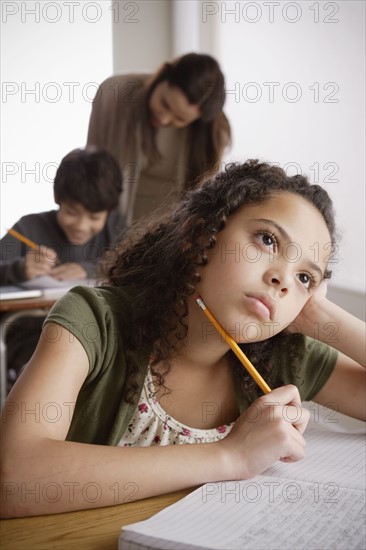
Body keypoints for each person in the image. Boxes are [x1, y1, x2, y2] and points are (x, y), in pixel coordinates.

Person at [1, 160, 365, 518]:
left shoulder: (283, 356)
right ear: (198, 236)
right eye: (267, 240)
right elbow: (13, 477)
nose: (283, 279)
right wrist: (230, 455)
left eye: (305, 278)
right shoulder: (95, 320)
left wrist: (320, 315)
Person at [0, 147, 125, 391]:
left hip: (96, 335)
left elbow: (134, 267)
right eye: (71, 212)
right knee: (47, 381)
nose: (81, 225)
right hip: (31, 336)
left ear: (108, 212)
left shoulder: (117, 228)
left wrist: (89, 269)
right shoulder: (29, 227)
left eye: (94, 217)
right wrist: (21, 269)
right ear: (58, 199)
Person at [87, 52, 231, 223]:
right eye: (164, 103)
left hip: (169, 230)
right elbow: (90, 168)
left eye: (180, 119)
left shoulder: (214, 135)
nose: (164, 118)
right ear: (162, 75)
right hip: (112, 223)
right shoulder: (113, 93)